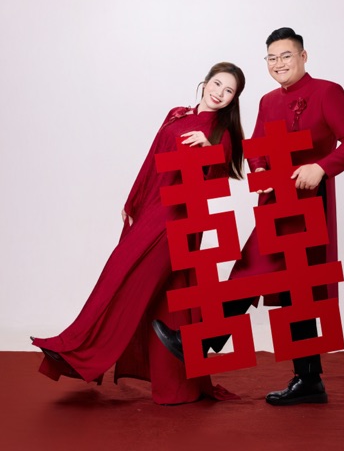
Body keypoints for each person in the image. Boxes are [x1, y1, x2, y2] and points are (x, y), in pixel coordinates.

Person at [153, 27, 344, 406]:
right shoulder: (268, 101)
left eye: (286, 55)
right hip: (277, 201)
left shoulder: (328, 92)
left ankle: (200, 344)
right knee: (281, 286)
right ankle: (308, 381)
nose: (278, 63)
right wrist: (261, 169)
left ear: (303, 56)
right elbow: (256, 146)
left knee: (274, 282)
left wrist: (321, 167)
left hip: (310, 204)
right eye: (271, 58)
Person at [31, 62, 246, 405]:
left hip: (179, 218)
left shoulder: (221, 133)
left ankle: (77, 350)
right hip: (152, 209)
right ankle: (178, 386)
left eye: (229, 90)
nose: (220, 93)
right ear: (205, 82)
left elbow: (222, 168)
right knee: (168, 294)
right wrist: (133, 200)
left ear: (234, 99)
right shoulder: (176, 114)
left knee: (127, 280)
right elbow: (152, 160)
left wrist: (209, 147)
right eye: (217, 84)